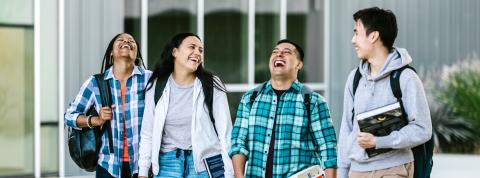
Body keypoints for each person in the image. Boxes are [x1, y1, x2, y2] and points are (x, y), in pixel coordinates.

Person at [337, 7, 432, 178]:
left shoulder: (406, 78)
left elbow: (422, 129)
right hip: (357, 171)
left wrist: (379, 142)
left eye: (356, 33)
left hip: (394, 169)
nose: (353, 40)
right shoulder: (354, 78)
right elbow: (347, 129)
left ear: (373, 36)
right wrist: (342, 172)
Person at [229, 39, 337, 178]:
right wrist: (239, 175)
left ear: (298, 64)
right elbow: (238, 142)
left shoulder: (313, 101)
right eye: (275, 52)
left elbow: (327, 148)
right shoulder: (250, 98)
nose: (279, 55)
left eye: (286, 52)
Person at [137, 33, 234, 178]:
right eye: (192, 47)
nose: (197, 53)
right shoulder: (157, 86)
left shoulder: (212, 83)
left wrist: (230, 173)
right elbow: (147, 133)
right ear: (175, 52)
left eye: (200, 50)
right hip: (167, 165)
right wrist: (143, 172)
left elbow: (225, 133)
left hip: (205, 165)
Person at [65, 33, 152, 178]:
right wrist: (95, 120)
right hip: (108, 166)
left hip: (143, 166)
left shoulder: (150, 79)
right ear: (111, 53)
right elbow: (69, 115)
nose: (126, 41)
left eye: (131, 41)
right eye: (121, 40)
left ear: (136, 54)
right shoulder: (95, 83)